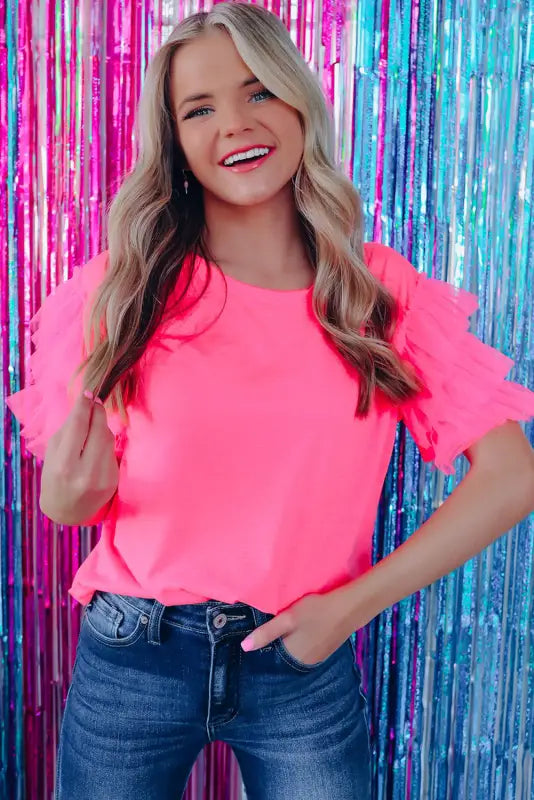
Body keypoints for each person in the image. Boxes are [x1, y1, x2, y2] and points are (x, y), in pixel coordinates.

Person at [6, 3, 534, 799]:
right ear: (177, 142)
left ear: (297, 101)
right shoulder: (127, 286)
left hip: (302, 663)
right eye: (200, 109)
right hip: (133, 653)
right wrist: (67, 498)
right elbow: (73, 501)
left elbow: (512, 474)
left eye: (257, 92)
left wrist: (349, 610)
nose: (234, 125)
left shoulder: (380, 294)